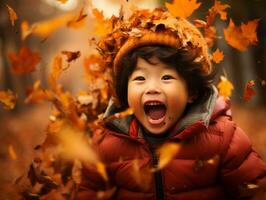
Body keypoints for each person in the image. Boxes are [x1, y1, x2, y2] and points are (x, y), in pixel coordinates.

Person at [76, 8, 266, 200]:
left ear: (191, 91)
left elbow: (256, 191)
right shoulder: (106, 145)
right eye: (140, 78)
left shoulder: (223, 139)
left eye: (166, 77)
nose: (152, 87)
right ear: (125, 93)